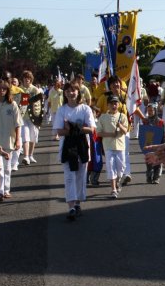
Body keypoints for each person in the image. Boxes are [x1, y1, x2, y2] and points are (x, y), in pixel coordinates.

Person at [53, 80, 96, 220]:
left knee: (80, 176)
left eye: (73, 90)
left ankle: (77, 202)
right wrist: (73, 129)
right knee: (69, 177)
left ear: (78, 92)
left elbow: (92, 129)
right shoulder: (62, 110)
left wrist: (71, 127)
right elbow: (59, 131)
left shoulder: (85, 109)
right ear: (64, 93)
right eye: (68, 91)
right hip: (67, 147)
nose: (71, 93)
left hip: (82, 146)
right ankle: (71, 206)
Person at [0, 79, 23, 201]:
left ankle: (6, 189)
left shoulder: (12, 104)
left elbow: (18, 124)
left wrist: (18, 140)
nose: (1, 90)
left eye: (4, 88)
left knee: (7, 167)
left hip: (8, 139)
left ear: (7, 90)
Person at [96, 76, 132, 186]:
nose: (116, 85)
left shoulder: (126, 96)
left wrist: (143, 118)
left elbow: (134, 108)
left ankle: (125, 174)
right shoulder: (104, 97)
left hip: (124, 129)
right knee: (112, 155)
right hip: (109, 131)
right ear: (110, 86)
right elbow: (98, 109)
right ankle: (115, 176)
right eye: (114, 84)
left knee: (124, 153)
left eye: (118, 83)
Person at [97, 95, 128, 199]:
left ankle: (118, 180)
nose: (114, 105)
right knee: (110, 168)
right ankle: (113, 189)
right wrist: (110, 134)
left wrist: (120, 126)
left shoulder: (123, 116)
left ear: (118, 104)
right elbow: (99, 133)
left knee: (121, 167)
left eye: (116, 103)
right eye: (112, 103)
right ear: (108, 105)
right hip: (108, 146)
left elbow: (125, 131)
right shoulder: (103, 117)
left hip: (120, 146)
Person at [19, 70, 43, 165]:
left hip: (33, 117)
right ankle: (25, 157)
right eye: (25, 77)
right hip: (23, 117)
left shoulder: (35, 90)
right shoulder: (19, 89)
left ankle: (30, 155)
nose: (27, 79)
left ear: (31, 79)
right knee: (25, 136)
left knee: (33, 138)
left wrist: (39, 120)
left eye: (28, 78)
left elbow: (40, 105)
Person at [139, 103, 165, 184]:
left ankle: (156, 178)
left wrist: (164, 145)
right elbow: (143, 134)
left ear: (155, 111)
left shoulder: (160, 122)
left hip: (158, 143)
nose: (150, 112)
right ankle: (149, 177)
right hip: (149, 143)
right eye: (148, 110)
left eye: (151, 110)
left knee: (157, 161)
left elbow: (162, 134)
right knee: (149, 162)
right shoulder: (145, 121)